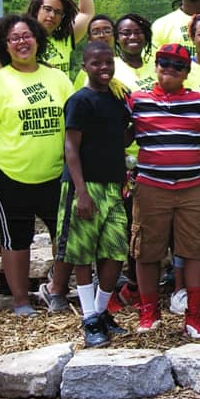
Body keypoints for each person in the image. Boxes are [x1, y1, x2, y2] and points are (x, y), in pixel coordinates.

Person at [0, 14, 74, 316]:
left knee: (66, 236)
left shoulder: (57, 78)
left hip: (55, 174)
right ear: (5, 45)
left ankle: (56, 290)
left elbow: (74, 120)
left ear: (38, 40)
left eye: (27, 36)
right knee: (16, 238)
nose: (22, 42)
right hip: (10, 175)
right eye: (14, 38)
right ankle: (21, 301)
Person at [128, 43, 200, 337]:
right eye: (164, 63)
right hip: (150, 186)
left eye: (178, 66)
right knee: (146, 251)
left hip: (193, 187)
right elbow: (109, 123)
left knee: (195, 250)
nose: (170, 69)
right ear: (156, 66)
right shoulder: (136, 100)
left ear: (187, 71)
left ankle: (195, 315)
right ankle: (149, 312)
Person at [58, 41, 132, 347]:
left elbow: (122, 137)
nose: (103, 68)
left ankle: (102, 312)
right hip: (84, 185)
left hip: (113, 185)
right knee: (82, 252)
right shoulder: (79, 101)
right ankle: (89, 317)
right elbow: (71, 147)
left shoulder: (118, 99)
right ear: (84, 66)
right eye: (96, 63)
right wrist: (81, 191)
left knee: (115, 251)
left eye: (108, 63)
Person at [27, 0, 96, 77]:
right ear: (36, 10)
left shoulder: (65, 39)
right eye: (47, 9)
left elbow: (86, 13)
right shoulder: (23, 41)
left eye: (58, 12)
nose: (52, 15)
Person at [72, 15, 117, 88]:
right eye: (96, 33)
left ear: (115, 35)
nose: (102, 35)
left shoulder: (125, 64)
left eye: (107, 31)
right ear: (89, 39)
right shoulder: (85, 72)